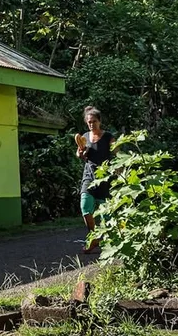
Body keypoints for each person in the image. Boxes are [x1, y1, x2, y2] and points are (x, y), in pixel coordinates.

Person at [75, 106, 115, 254]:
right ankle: (94, 237)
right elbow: (80, 155)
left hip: (105, 179)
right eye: (89, 122)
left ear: (100, 121)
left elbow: (117, 153)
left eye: (94, 121)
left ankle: (110, 241)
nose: (91, 124)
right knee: (85, 208)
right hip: (89, 177)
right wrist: (80, 153)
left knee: (106, 215)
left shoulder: (108, 137)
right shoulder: (84, 137)